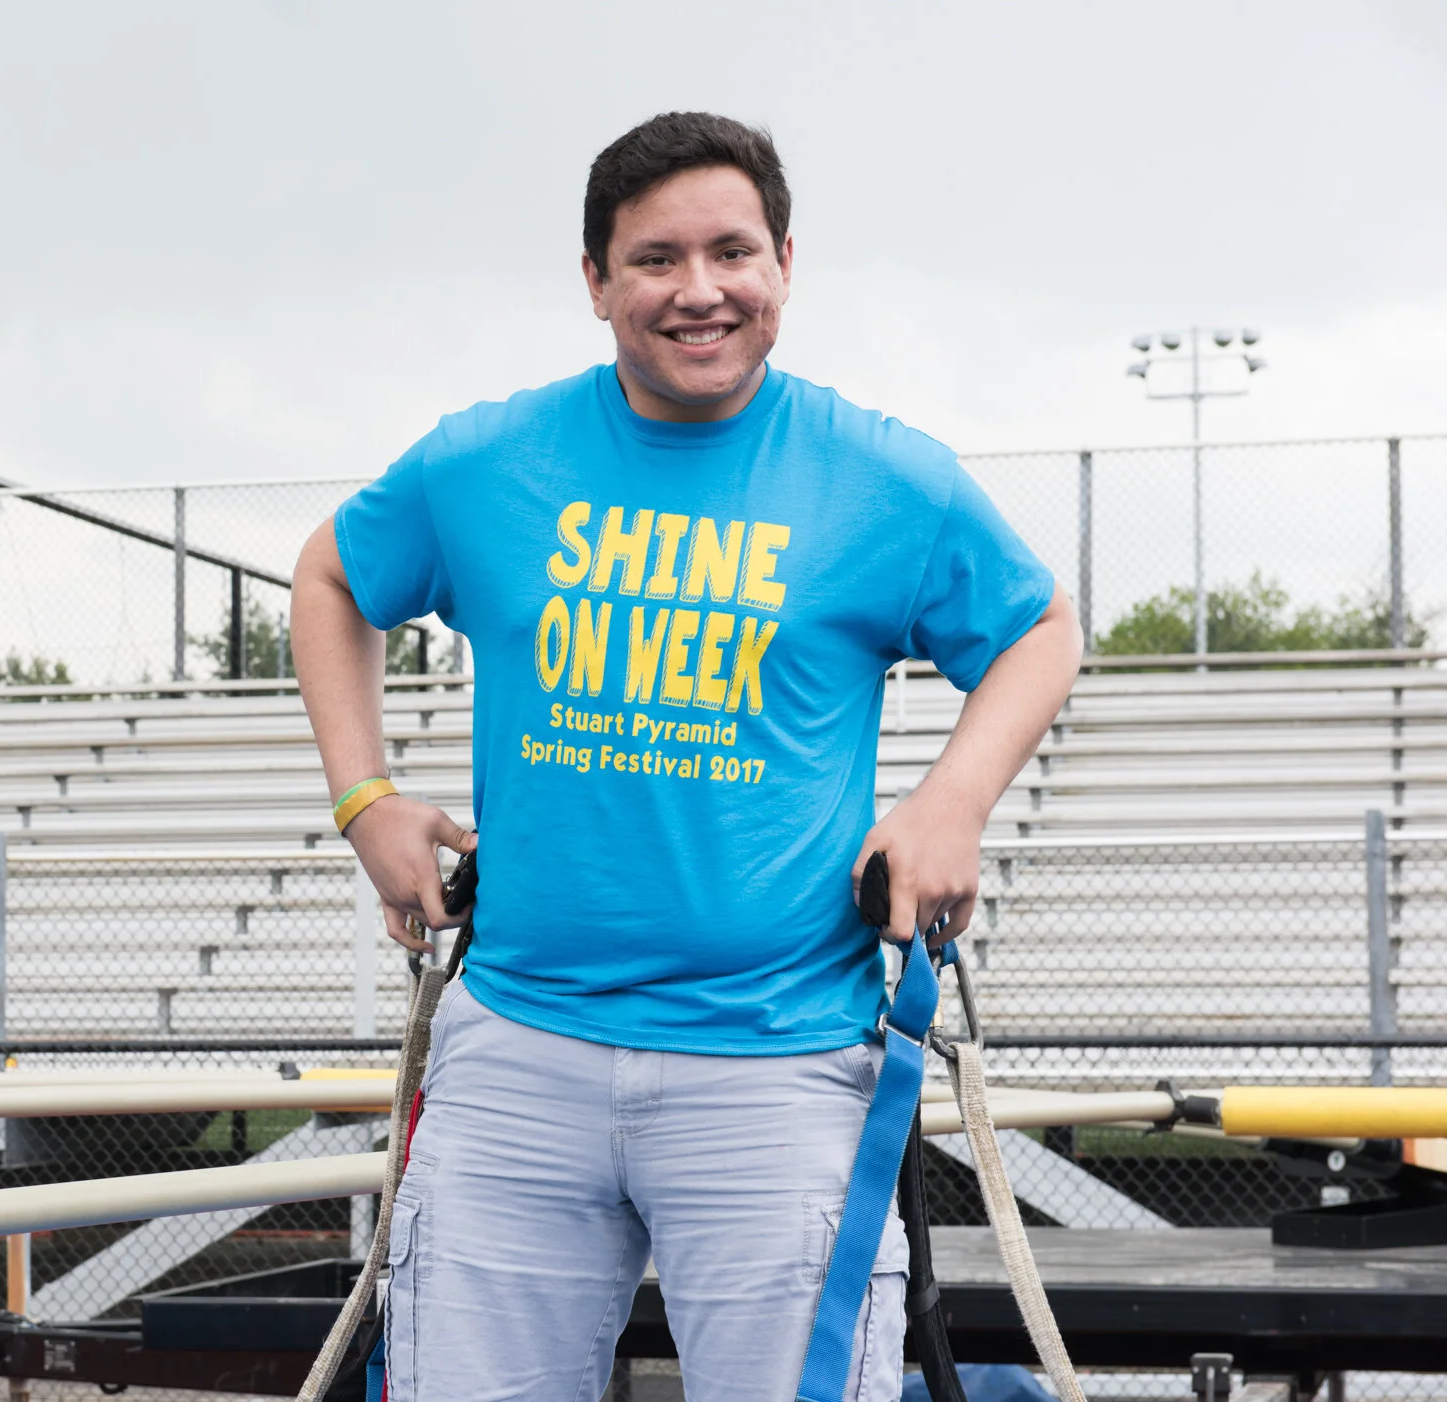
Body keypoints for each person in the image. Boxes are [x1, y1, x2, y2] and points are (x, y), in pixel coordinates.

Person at [290, 111, 1083, 1402]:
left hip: (779, 1061)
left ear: (784, 263)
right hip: (517, 1055)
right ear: (596, 281)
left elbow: (1042, 625)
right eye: (656, 258)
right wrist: (364, 795)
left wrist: (952, 800)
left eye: (732, 251)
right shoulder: (488, 460)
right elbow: (331, 570)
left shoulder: (884, 478)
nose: (699, 290)